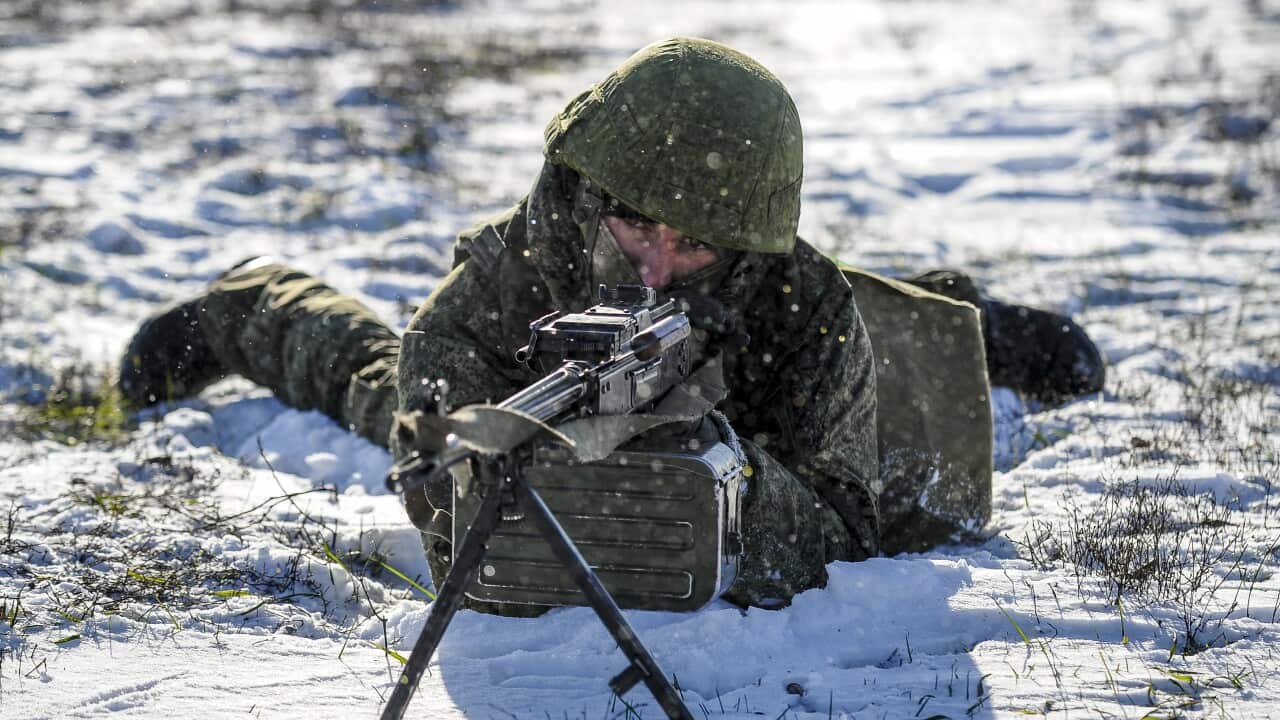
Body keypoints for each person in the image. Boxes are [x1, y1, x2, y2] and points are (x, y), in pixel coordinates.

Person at [118, 38, 1104, 611]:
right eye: (636, 223)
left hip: (760, 417)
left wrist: (715, 471)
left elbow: (845, 526)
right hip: (525, 392)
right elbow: (430, 463)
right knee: (378, 387)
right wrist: (517, 450)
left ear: (743, 249)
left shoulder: (803, 305)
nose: (655, 264)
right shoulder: (518, 265)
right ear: (591, 196)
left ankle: (958, 309)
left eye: (695, 246)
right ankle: (246, 303)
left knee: (911, 391)